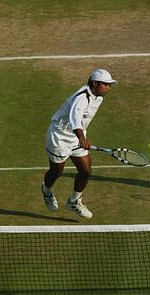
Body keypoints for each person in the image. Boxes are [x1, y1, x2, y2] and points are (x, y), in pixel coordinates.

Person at [41, 69, 117, 218]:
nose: (108, 88)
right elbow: (74, 120)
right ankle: (46, 190)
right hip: (60, 137)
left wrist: (80, 138)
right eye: (106, 85)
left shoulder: (98, 97)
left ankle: (74, 201)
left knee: (86, 171)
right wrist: (82, 139)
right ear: (95, 83)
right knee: (57, 172)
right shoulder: (82, 98)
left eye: (109, 85)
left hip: (77, 136)